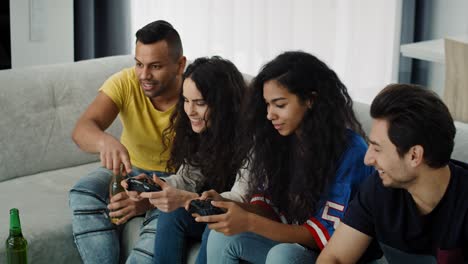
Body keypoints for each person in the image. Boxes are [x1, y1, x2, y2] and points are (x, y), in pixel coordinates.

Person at [199, 51, 377, 264]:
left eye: (280, 105)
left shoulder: (351, 151)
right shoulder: (279, 140)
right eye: (267, 104)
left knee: (283, 255)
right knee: (221, 236)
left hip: (329, 254)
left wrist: (248, 222)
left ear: (310, 99)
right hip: (291, 243)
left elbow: (324, 237)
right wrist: (228, 204)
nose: (269, 114)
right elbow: (270, 210)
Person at [68, 20, 186, 264]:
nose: (144, 75)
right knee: (82, 192)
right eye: (139, 64)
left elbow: (203, 171)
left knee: (161, 230)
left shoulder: (196, 92)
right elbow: (82, 129)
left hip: (173, 182)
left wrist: (146, 202)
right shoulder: (124, 82)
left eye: (155, 66)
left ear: (180, 65)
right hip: (130, 172)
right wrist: (104, 141)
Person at [317, 84, 468, 264]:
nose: (368, 159)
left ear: (414, 155)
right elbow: (335, 258)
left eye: (377, 148)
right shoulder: (378, 188)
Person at [123, 56, 248, 264]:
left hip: (239, 217)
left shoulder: (249, 139)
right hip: (211, 210)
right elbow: (187, 180)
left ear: (224, 104)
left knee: (214, 224)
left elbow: (239, 198)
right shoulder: (202, 132)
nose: (190, 111)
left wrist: (185, 199)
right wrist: (156, 186)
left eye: (199, 103)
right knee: (172, 214)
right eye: (186, 101)